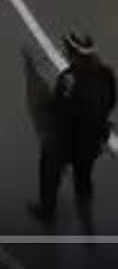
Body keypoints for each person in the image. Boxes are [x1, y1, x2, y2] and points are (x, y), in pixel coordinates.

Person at [28, 32, 116, 230]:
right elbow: (111, 102)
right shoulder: (106, 73)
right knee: (84, 171)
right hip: (94, 139)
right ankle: (84, 199)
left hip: (70, 139)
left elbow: (59, 108)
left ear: (74, 53)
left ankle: (47, 210)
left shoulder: (68, 79)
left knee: (49, 166)